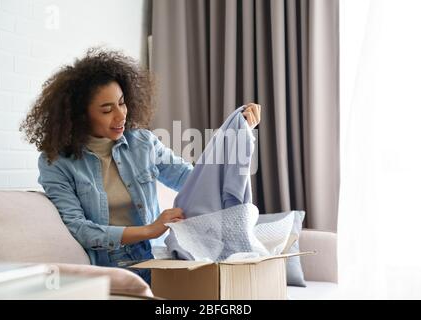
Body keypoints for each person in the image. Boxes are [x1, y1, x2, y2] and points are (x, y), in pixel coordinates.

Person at [20, 47, 261, 285]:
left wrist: (236, 133)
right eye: (107, 110)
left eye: (122, 103)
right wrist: (150, 229)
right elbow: (80, 229)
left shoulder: (142, 143)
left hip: (157, 258)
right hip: (111, 269)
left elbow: (194, 180)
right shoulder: (57, 163)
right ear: (81, 116)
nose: (120, 115)